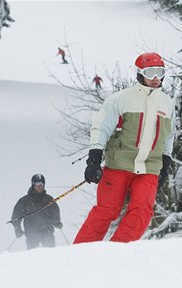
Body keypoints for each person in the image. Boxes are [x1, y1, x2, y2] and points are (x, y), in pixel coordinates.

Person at [74, 52, 175, 244]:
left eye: (159, 72)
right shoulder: (121, 99)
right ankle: (79, 253)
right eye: (150, 72)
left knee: (142, 212)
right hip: (119, 165)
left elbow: (169, 136)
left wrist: (165, 162)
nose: (155, 78)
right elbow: (101, 128)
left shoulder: (168, 103)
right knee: (107, 210)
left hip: (149, 168)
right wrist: (94, 159)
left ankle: (116, 251)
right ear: (140, 73)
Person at [11, 174, 63, 249]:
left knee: (50, 253)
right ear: (33, 185)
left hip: (47, 231)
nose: (39, 187)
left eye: (41, 184)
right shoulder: (24, 200)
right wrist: (17, 228)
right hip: (31, 233)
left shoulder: (49, 199)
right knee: (33, 256)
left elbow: (55, 212)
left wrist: (57, 222)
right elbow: (16, 215)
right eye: (37, 184)